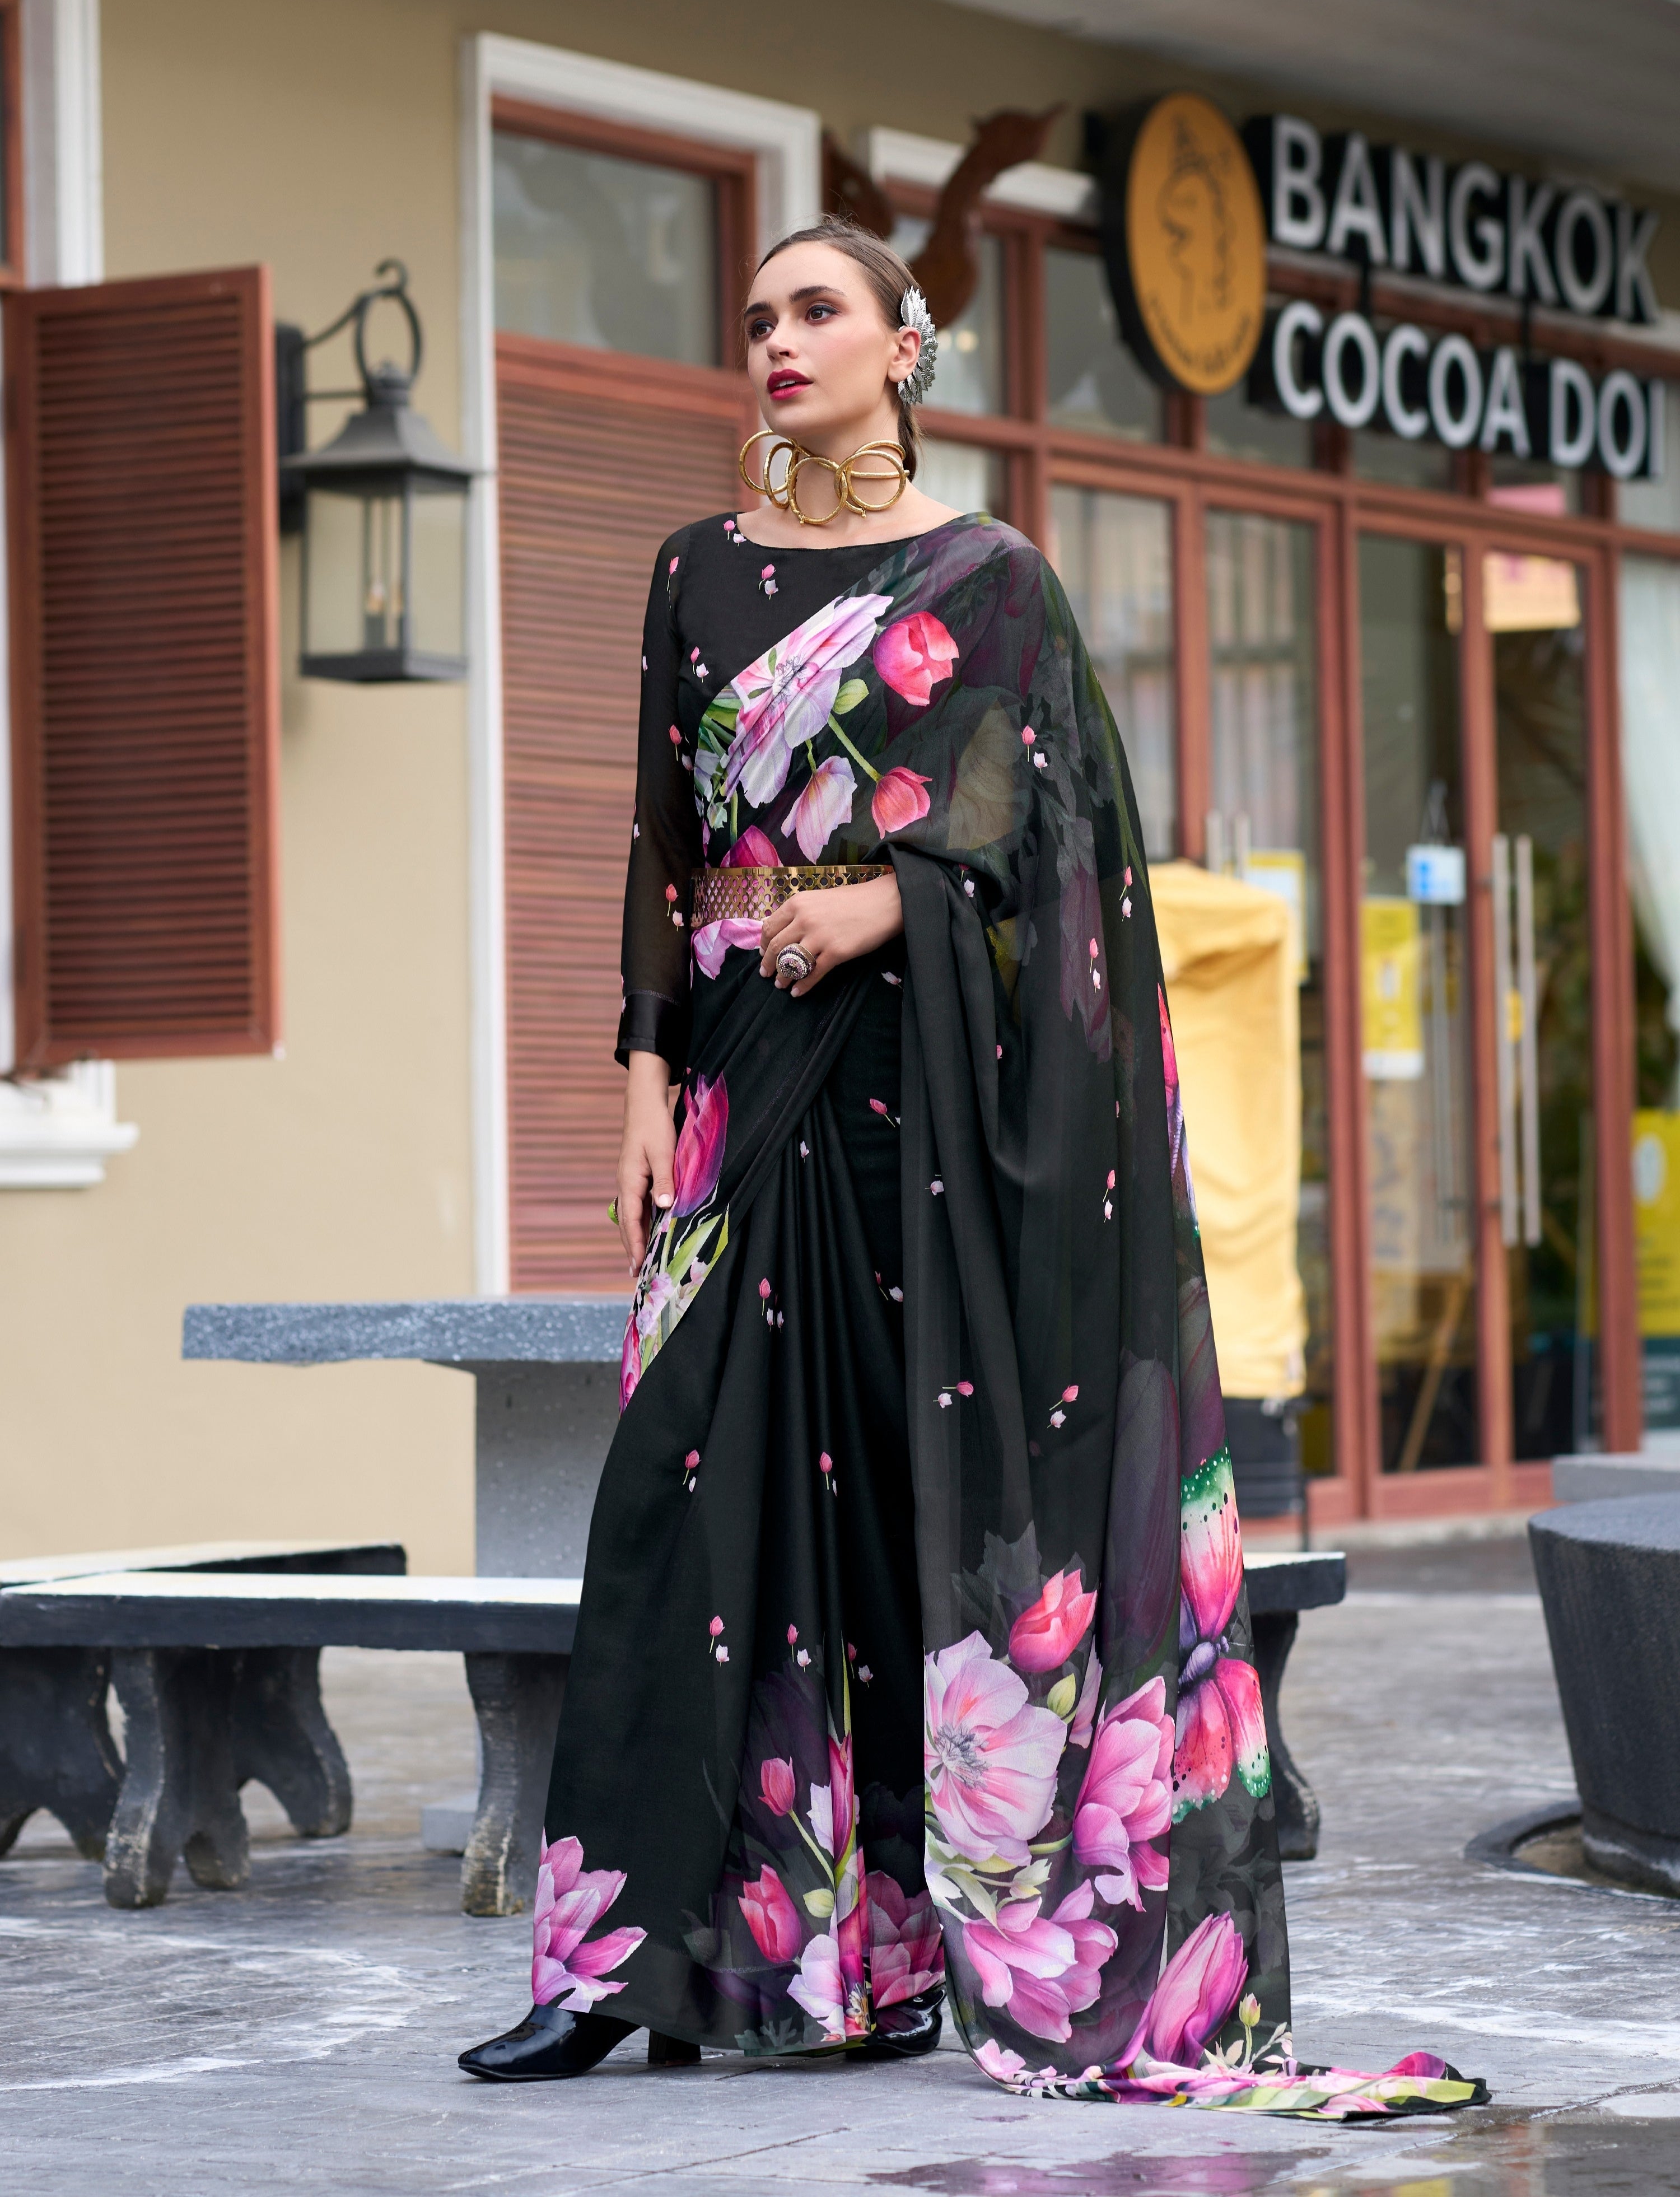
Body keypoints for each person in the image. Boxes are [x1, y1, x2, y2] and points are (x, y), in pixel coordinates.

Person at [458, 221, 1483, 2117]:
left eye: (817, 311)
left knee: (893, 1527)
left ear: (905, 350)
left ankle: (892, 1959)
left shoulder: (988, 582)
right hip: (736, 1099)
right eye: (755, 316)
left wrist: (880, 913)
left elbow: (1059, 857)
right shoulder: (700, 575)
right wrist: (633, 1088)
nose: (776, 341)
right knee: (675, 1507)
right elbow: (663, 855)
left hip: (923, 1115)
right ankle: (623, 1958)